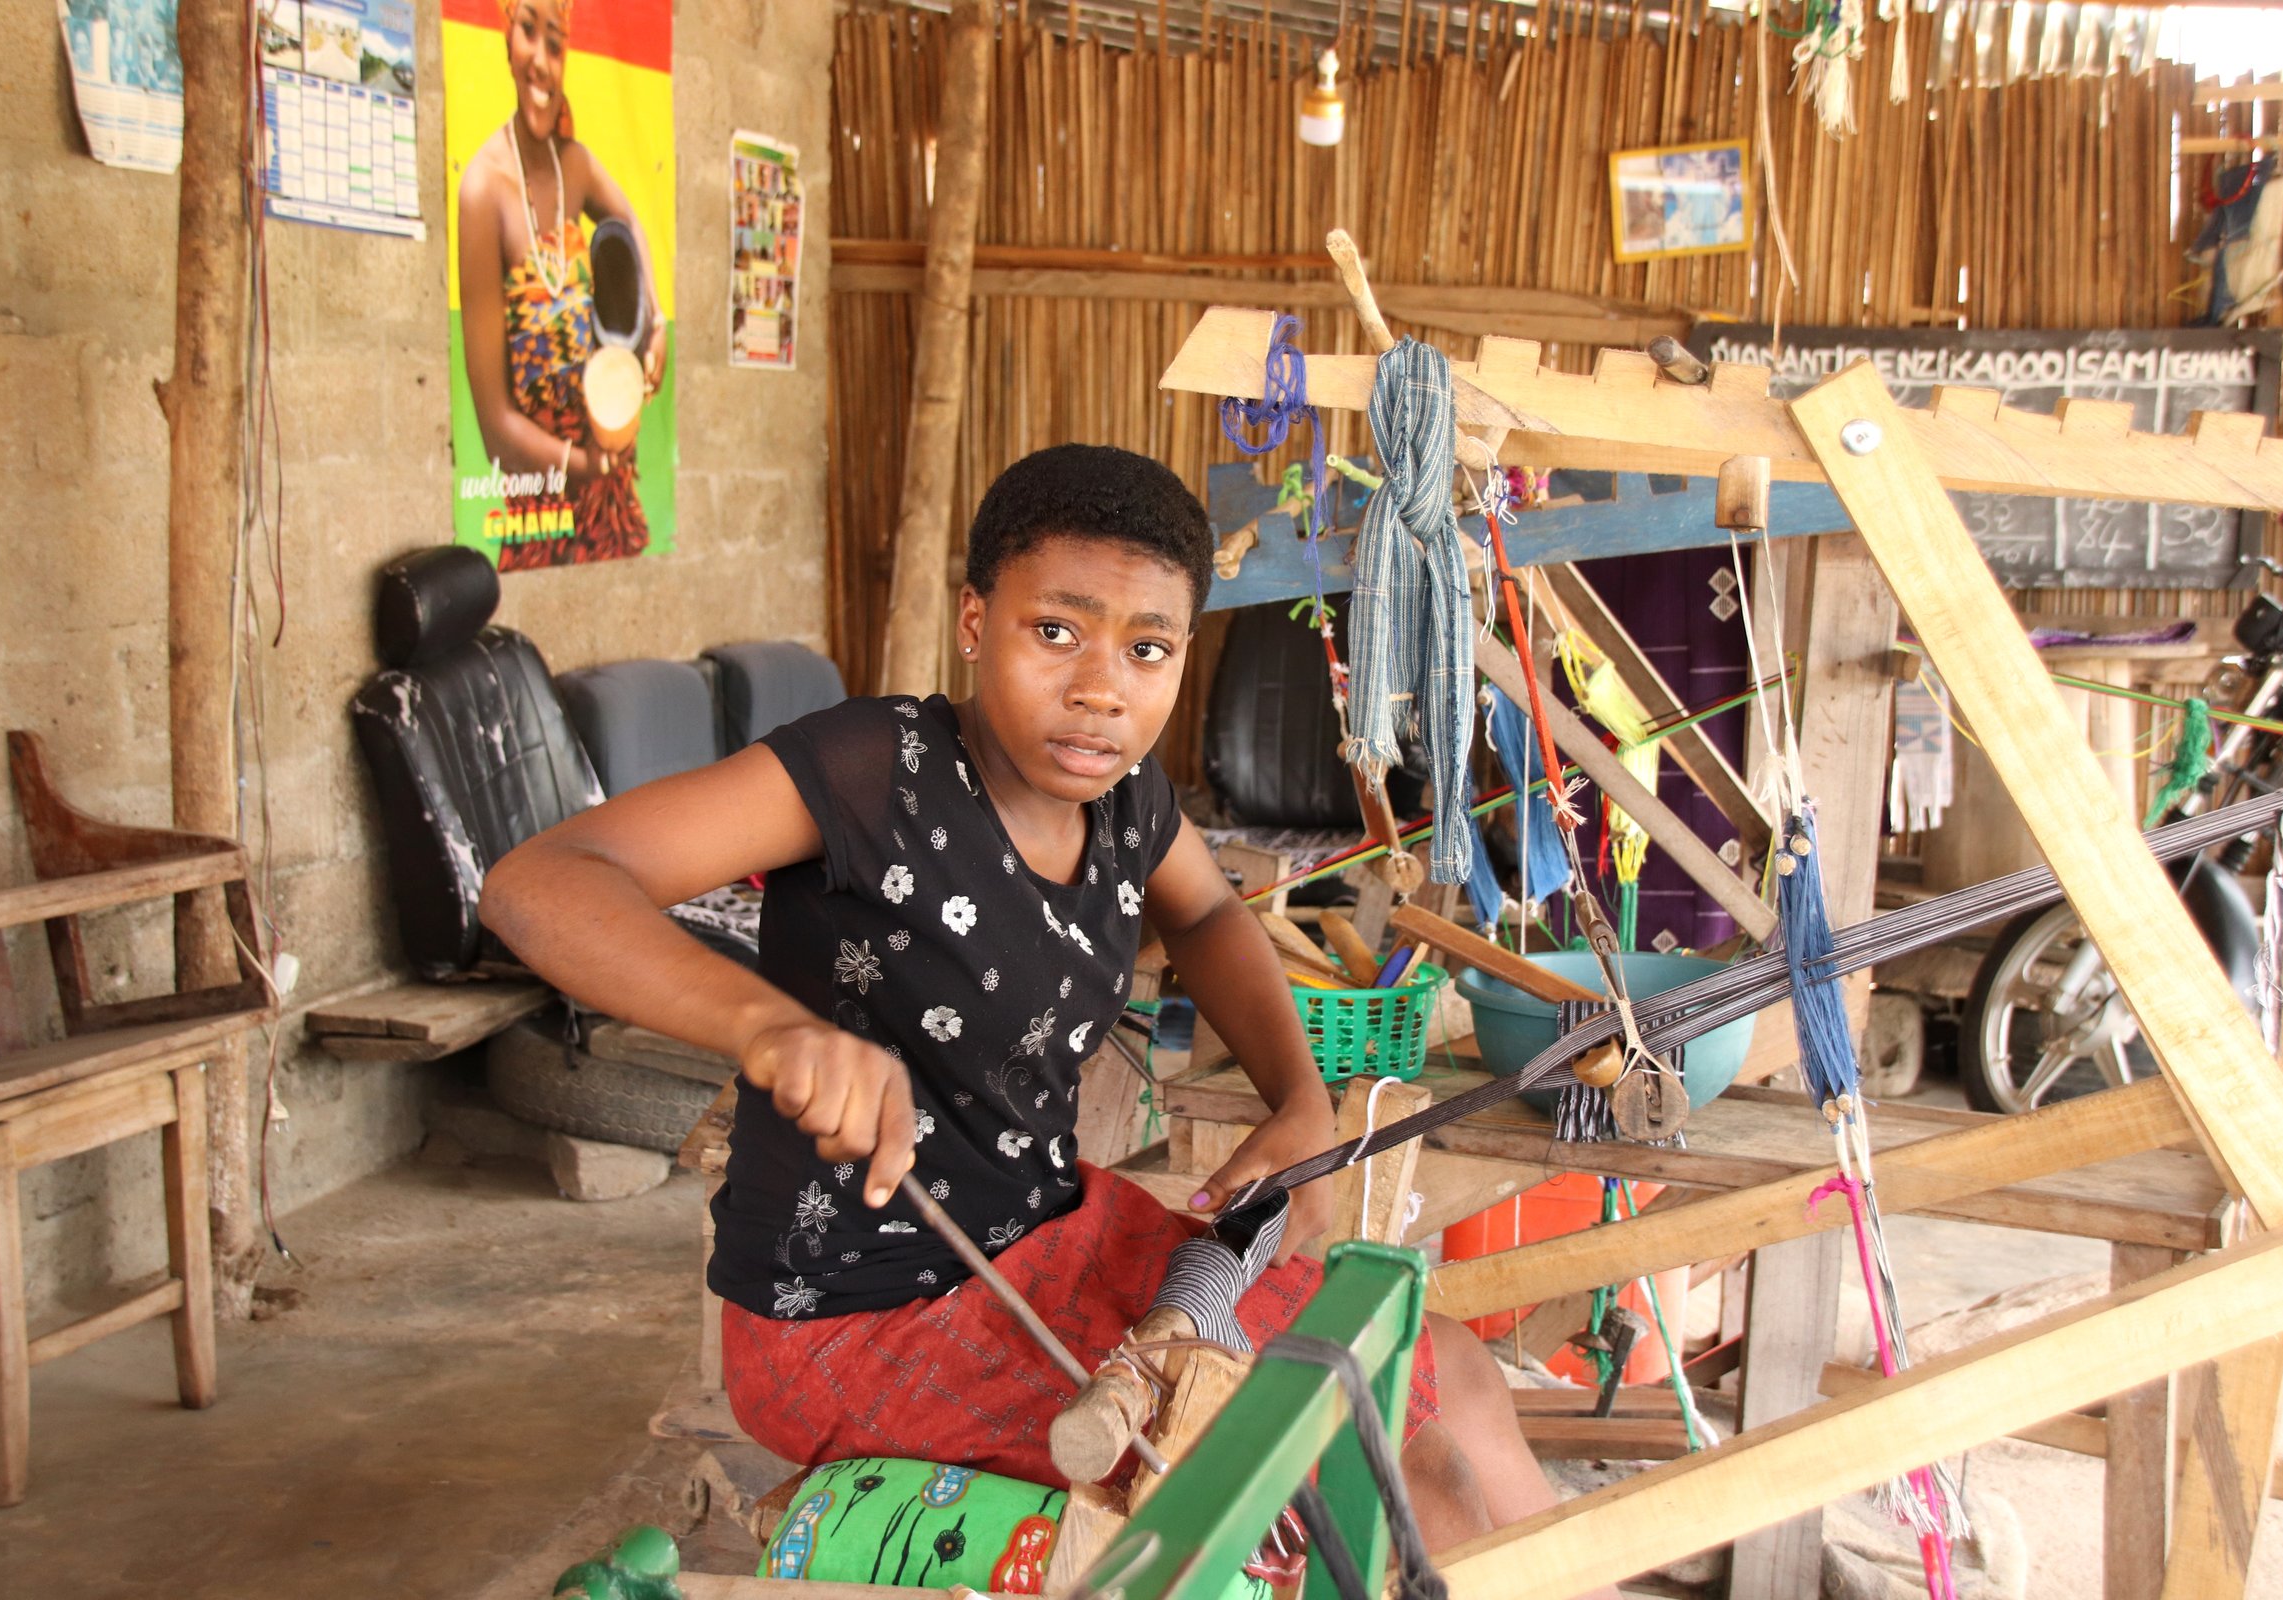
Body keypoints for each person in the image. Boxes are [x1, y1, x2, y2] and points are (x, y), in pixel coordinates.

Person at [481, 444, 1589, 1563]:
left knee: (1451, 1379)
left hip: (1051, 1239)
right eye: (1055, 632)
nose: (1101, 688)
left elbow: (1208, 918)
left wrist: (1299, 1099)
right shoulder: (878, 772)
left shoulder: (1126, 798)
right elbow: (540, 885)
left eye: (1145, 649)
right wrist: (769, 1025)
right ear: (975, 621)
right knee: (1396, 1488)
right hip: (856, 1318)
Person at [455, 0, 665, 570]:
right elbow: (496, 425)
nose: (543, 62)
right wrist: (585, 464)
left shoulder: (574, 166)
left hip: (614, 516)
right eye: (530, 33)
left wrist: (657, 320)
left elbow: (630, 227)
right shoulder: (482, 192)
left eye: (557, 43)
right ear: (506, 32)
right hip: (541, 521)